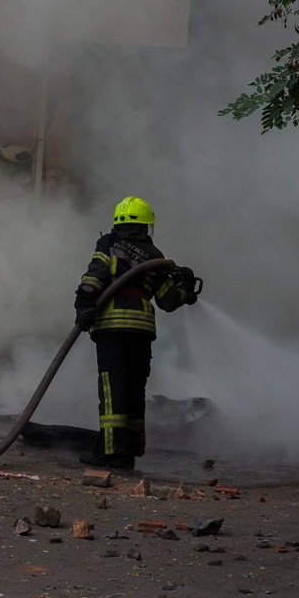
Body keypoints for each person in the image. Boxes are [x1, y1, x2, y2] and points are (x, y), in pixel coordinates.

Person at [73, 196, 200, 470]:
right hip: (141, 331)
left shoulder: (108, 243)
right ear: (144, 226)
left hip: (113, 328)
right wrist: (186, 291)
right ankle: (129, 450)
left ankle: (110, 454)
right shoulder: (154, 256)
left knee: (112, 389)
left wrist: (83, 303)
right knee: (134, 390)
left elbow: (96, 274)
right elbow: (168, 300)